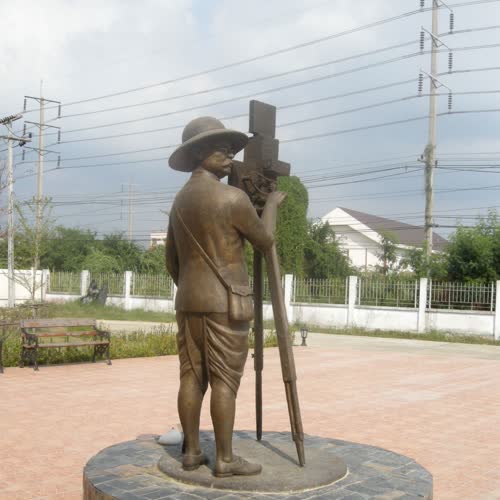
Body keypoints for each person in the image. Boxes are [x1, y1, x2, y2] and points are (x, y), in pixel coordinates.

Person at [165, 116, 285, 478]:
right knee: (224, 381)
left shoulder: (179, 202)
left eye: (232, 151)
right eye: (222, 151)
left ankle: (191, 452)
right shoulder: (233, 198)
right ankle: (225, 459)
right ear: (198, 153)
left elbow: (171, 260)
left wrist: (192, 287)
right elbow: (264, 242)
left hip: (189, 301)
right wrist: (272, 205)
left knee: (191, 376)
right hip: (227, 304)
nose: (230, 157)